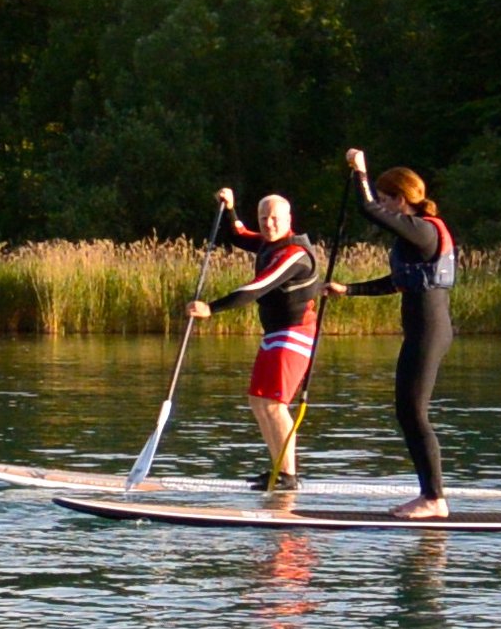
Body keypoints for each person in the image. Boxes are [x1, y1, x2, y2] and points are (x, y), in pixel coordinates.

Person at [340, 149, 457, 521]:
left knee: (413, 413)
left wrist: (359, 173)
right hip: (423, 332)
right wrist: (348, 290)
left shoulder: (422, 230)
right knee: (408, 412)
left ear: (400, 199)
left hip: (429, 333)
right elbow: (398, 283)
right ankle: (430, 496)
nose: (383, 204)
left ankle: (434, 499)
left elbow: (369, 210)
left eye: (386, 197)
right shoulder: (414, 236)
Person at [192, 187, 325, 493]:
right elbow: (239, 235)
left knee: (275, 404)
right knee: (258, 401)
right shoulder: (268, 242)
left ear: (289, 219)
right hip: (275, 334)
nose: (269, 224)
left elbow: (257, 287)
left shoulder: (295, 255)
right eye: (264, 218)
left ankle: (288, 476)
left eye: (275, 218)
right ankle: (277, 468)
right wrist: (230, 209)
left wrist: (211, 308)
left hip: (295, 334)